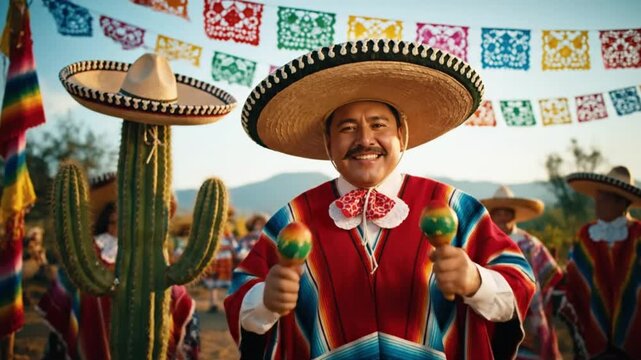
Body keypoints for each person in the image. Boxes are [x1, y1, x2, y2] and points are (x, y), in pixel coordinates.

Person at [224, 39, 536, 359]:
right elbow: (240, 298)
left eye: (378, 125)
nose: (364, 140)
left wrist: (475, 281)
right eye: (347, 128)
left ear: (401, 135)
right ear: (328, 143)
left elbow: (518, 284)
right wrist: (266, 300)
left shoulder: (455, 207)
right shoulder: (293, 219)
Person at [38, 174, 200, 360]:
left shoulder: (148, 250)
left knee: (179, 297)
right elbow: (73, 275)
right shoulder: (91, 249)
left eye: (125, 221)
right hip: (95, 311)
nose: (119, 226)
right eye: (113, 221)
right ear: (106, 222)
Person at [559, 166, 641, 359]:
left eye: (603, 196)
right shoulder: (586, 235)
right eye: (597, 196)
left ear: (621, 202)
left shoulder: (638, 235)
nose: (597, 201)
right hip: (593, 338)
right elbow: (575, 278)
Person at [481, 185, 564, 359]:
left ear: (514, 215)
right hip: (490, 314)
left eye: (507, 212)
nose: (502, 217)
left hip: (529, 317)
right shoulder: (483, 243)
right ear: (492, 216)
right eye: (498, 213)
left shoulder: (530, 244)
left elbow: (551, 277)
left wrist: (541, 310)